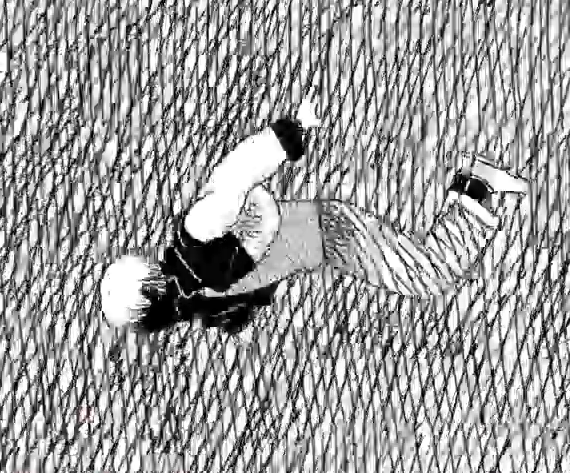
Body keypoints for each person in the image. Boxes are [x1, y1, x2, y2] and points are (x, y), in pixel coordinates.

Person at [99, 98, 528, 336]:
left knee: (427, 275)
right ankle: (475, 186)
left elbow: (236, 175)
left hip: (328, 232)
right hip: (322, 244)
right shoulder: (196, 294)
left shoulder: (195, 239)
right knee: (426, 274)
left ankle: (477, 183)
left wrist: (290, 133)